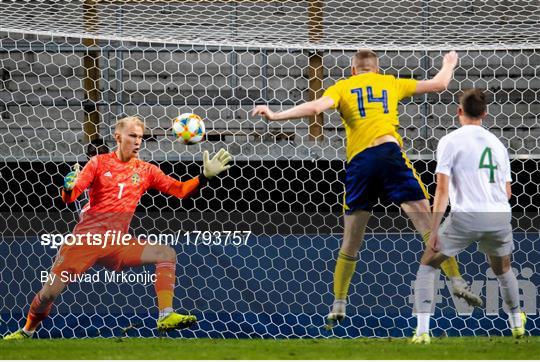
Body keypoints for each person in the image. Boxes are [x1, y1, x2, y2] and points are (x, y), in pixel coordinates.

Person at [252, 49, 481, 327]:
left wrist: (275, 116)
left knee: (351, 241)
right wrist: (449, 63)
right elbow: (439, 85)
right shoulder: (390, 82)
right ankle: (456, 281)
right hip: (389, 154)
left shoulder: (342, 86)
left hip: (360, 164)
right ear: (377, 68)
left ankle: (338, 304)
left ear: (353, 70)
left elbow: (314, 109)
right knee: (428, 226)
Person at [3, 116, 232, 339]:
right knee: (48, 294)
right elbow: (71, 198)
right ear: (118, 137)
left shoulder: (146, 170)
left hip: (117, 243)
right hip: (86, 241)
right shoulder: (98, 163)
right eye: (132, 136)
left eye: (140, 137)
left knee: (166, 253)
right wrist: (67, 187)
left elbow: (180, 191)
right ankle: (27, 331)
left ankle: (166, 315)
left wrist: (204, 177)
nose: (137, 141)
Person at [411, 89, 526, 344]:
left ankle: (421, 333)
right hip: (498, 215)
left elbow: (442, 190)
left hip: (467, 216)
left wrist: (434, 230)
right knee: (503, 269)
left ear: (459, 111)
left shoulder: (450, 141)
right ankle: (517, 322)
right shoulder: (498, 145)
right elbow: (507, 191)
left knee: (428, 263)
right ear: (485, 114)